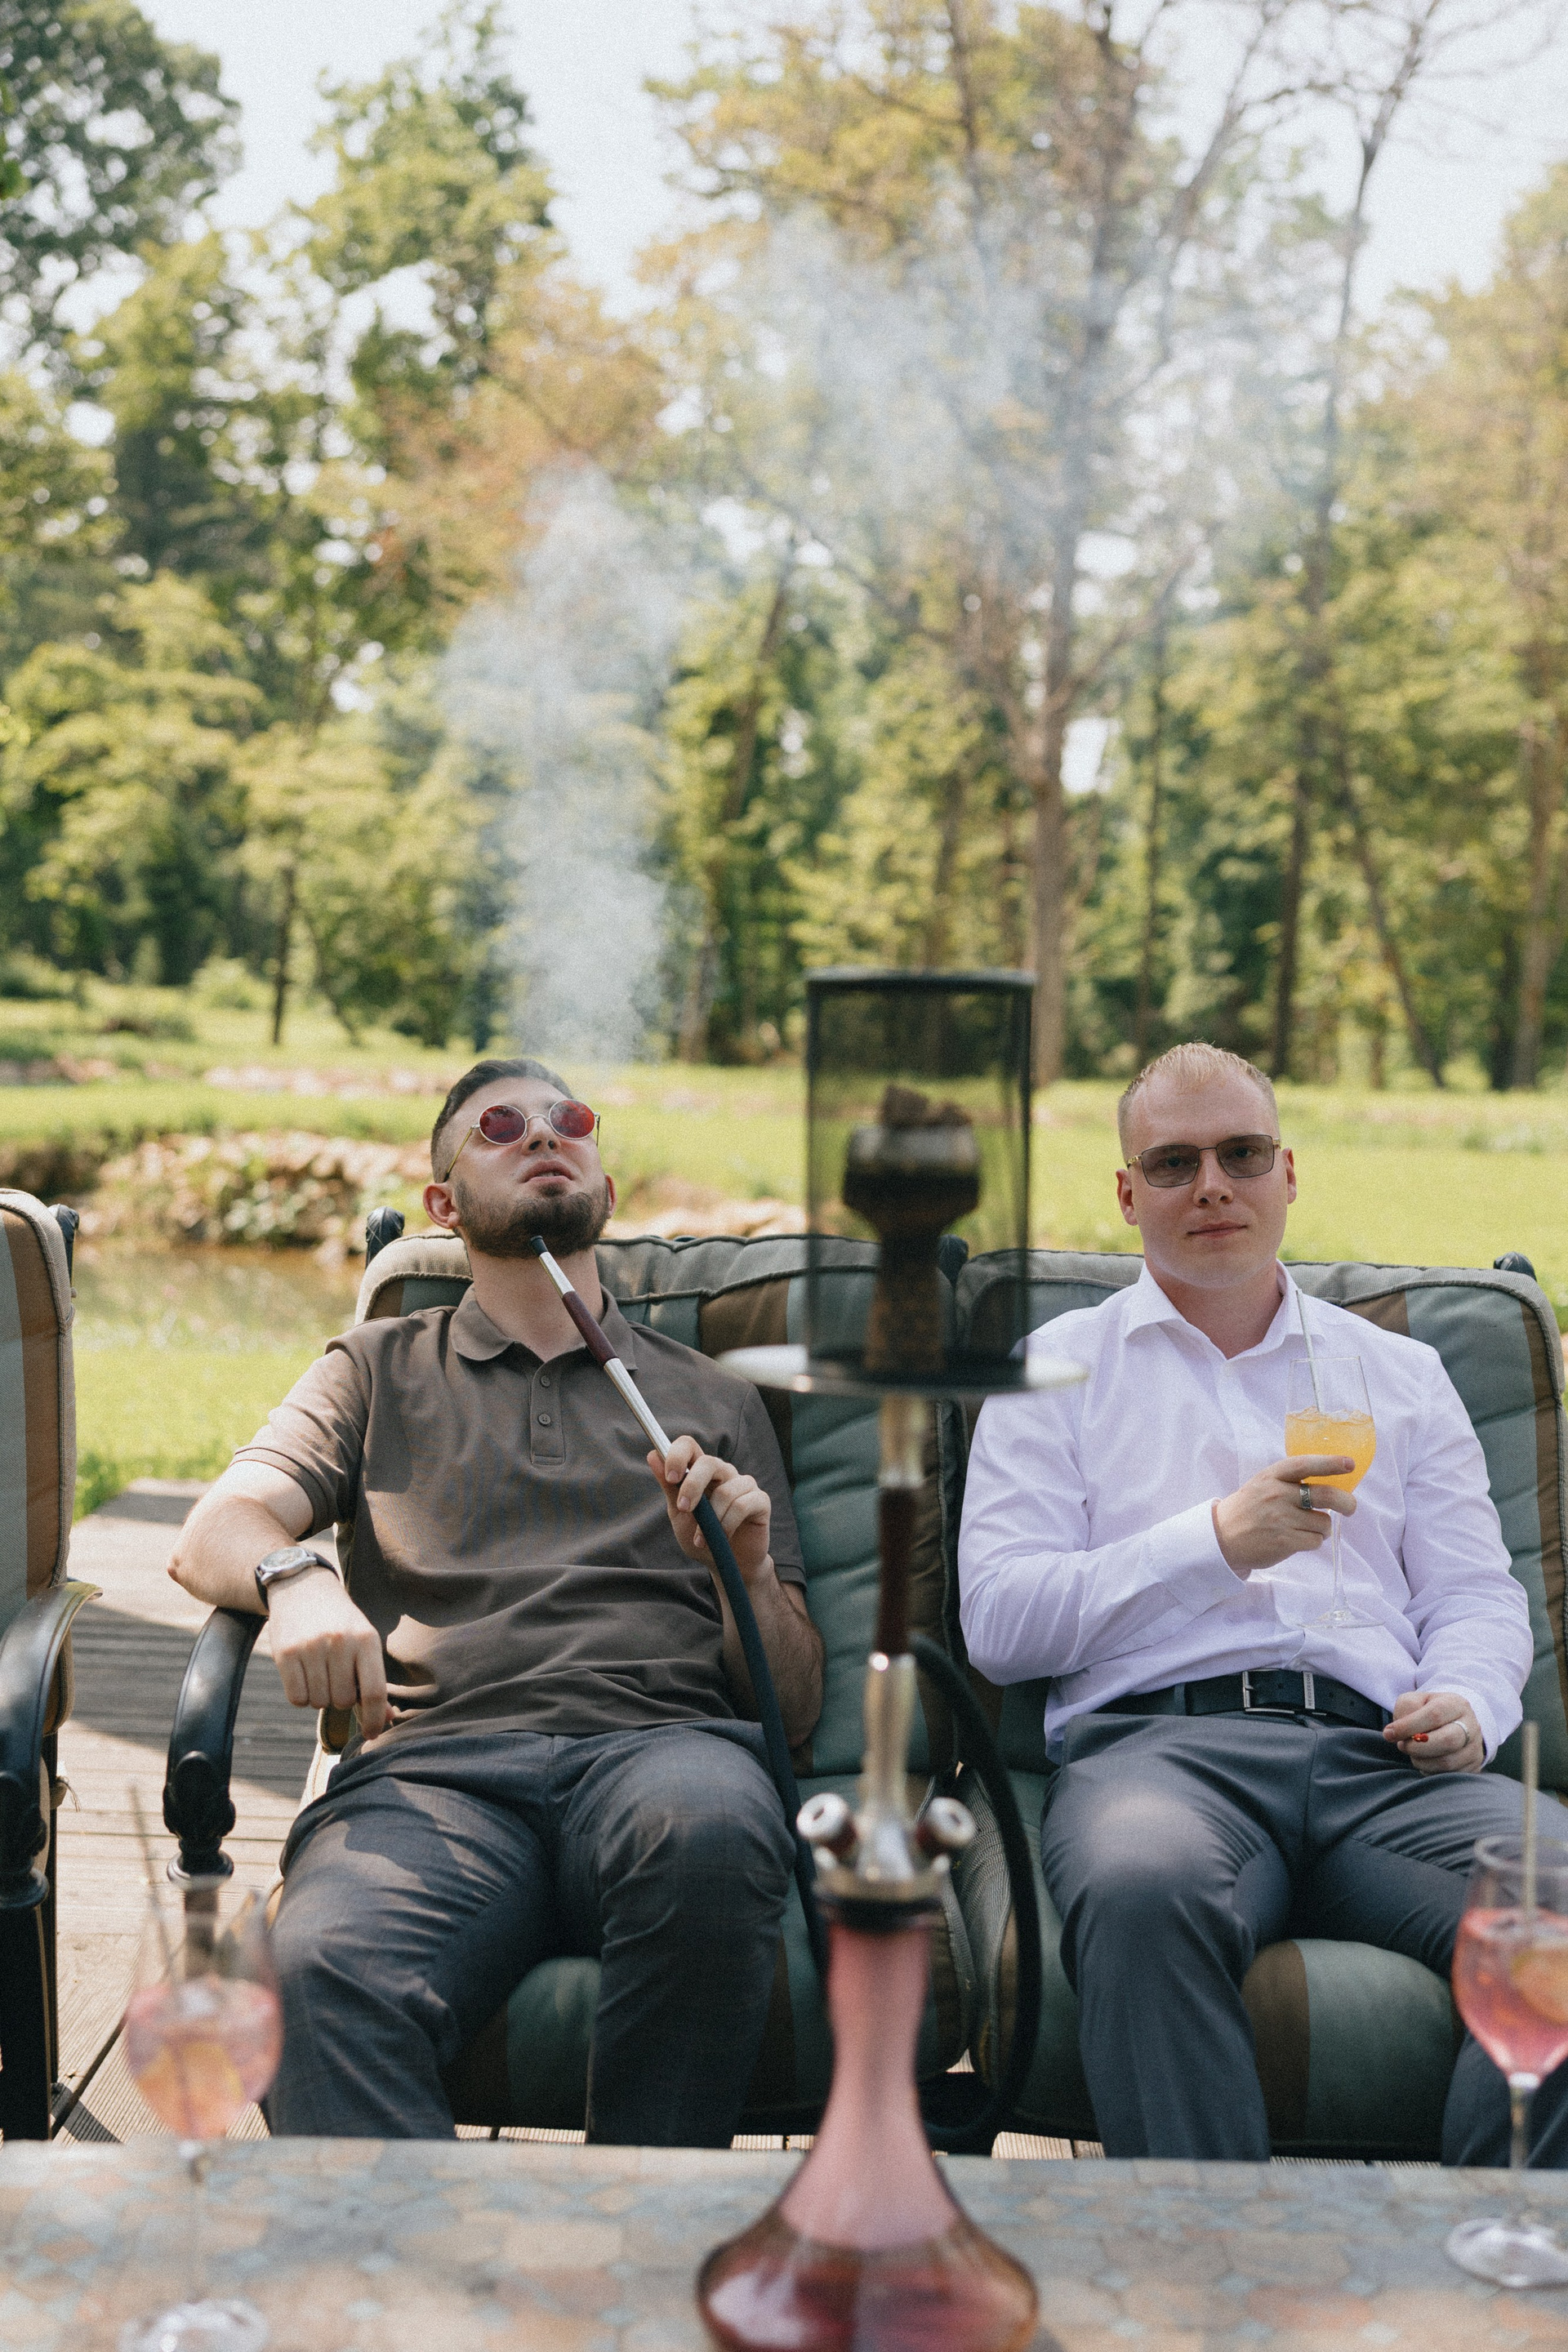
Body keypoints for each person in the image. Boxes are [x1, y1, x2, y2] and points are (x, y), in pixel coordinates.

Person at [170, 1056, 823, 2145]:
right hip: (437, 1773)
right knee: (313, 1970)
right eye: (501, 1127)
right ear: (444, 1204)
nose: (544, 1136)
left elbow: (792, 1708)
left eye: (570, 1120)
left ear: (605, 1184)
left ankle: (642, 2234)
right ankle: (420, 2257)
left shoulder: (714, 1395)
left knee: (712, 1839)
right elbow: (214, 1530)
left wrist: (742, 1572)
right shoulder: (376, 1367)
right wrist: (297, 1578)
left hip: (665, 1753)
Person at [958, 1040, 1566, 2165]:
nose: (1213, 1186)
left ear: (1288, 1173)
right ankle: (1206, 2258)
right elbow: (999, 1621)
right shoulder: (1055, 1370)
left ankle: (1488, 2245)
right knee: (1141, 1890)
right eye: (1174, 1162)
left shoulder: (1397, 1373)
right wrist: (1215, 1543)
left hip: (1387, 1762)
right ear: (1128, 1193)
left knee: (1560, 1903)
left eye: (1241, 1154)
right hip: (1162, 1759)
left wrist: (1472, 1700)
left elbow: (1478, 1594)